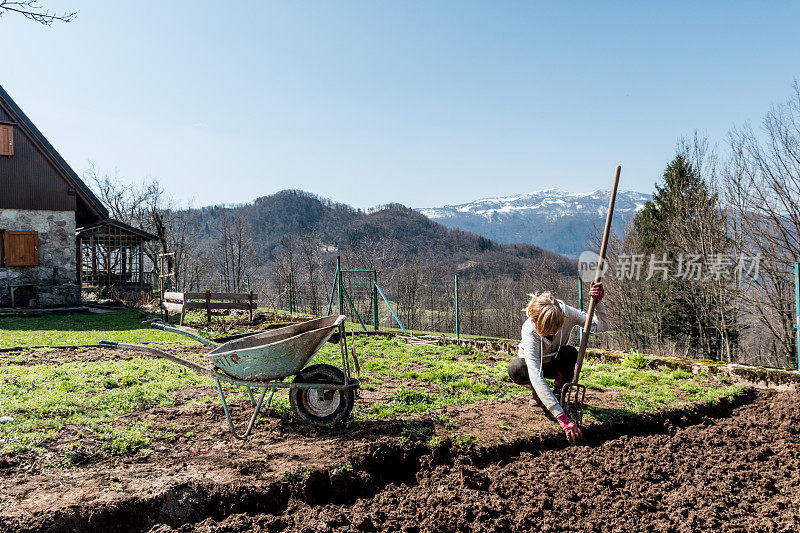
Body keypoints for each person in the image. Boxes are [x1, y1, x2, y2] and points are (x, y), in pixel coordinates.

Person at [507, 283, 607, 444]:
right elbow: (535, 374)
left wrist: (598, 304)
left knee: (569, 352)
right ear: (534, 320)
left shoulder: (567, 313)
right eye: (548, 328)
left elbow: (599, 327)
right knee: (516, 368)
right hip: (532, 366)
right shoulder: (528, 329)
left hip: (554, 363)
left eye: (556, 327)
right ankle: (537, 393)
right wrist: (562, 418)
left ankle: (559, 391)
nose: (553, 331)